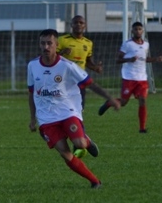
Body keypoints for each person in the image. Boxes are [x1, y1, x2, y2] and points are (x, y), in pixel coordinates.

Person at [28, 29, 120, 189]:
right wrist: (32, 119)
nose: (46, 46)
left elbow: (90, 84)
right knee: (64, 152)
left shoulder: (67, 66)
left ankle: (86, 140)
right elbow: (31, 93)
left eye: (49, 43)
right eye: (43, 43)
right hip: (46, 119)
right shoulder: (32, 65)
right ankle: (95, 181)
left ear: (57, 45)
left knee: (80, 144)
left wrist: (109, 98)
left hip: (67, 113)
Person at [98, 21, 162, 133]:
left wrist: (155, 59)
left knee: (142, 100)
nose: (138, 31)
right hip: (129, 78)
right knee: (123, 102)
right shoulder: (127, 44)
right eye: (136, 29)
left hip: (142, 79)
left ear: (142, 31)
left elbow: (144, 59)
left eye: (140, 29)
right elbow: (118, 60)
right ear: (132, 31)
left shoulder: (146, 44)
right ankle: (109, 102)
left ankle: (142, 128)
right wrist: (129, 59)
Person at [57, 15, 103, 158]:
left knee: (77, 113)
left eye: (81, 23)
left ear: (85, 25)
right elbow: (51, 56)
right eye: (76, 22)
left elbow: (87, 61)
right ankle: (82, 141)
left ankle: (79, 142)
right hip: (62, 84)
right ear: (71, 25)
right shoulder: (62, 40)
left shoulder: (88, 43)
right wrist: (62, 53)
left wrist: (95, 68)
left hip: (79, 85)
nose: (78, 25)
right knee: (61, 113)